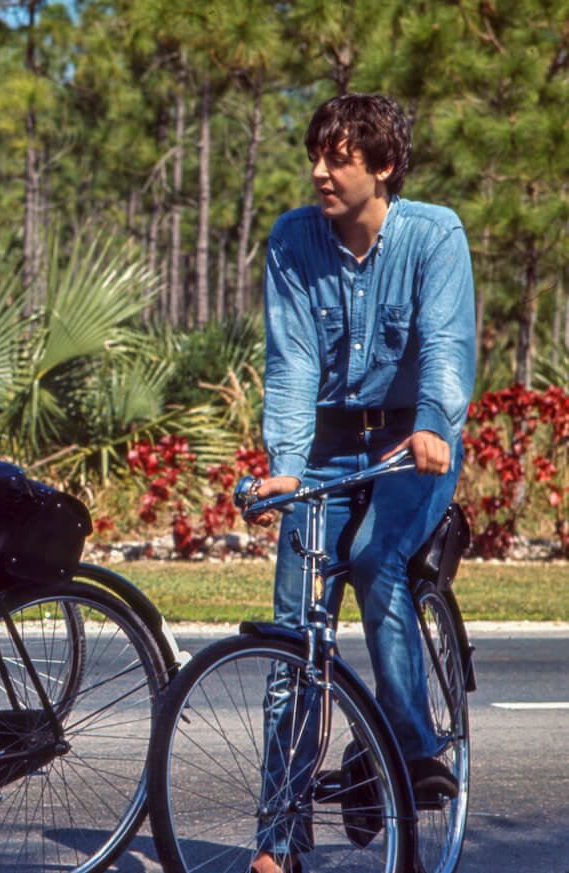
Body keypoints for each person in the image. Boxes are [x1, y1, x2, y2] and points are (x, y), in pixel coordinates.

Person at [250, 93, 476, 872]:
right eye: (315, 155)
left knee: (381, 560)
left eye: (338, 158)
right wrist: (284, 461)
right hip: (323, 449)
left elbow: (447, 343)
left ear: (382, 166)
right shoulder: (292, 238)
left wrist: (436, 426)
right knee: (293, 644)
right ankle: (278, 840)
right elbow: (292, 363)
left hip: (411, 447)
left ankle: (408, 755)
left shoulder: (433, 233)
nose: (319, 172)